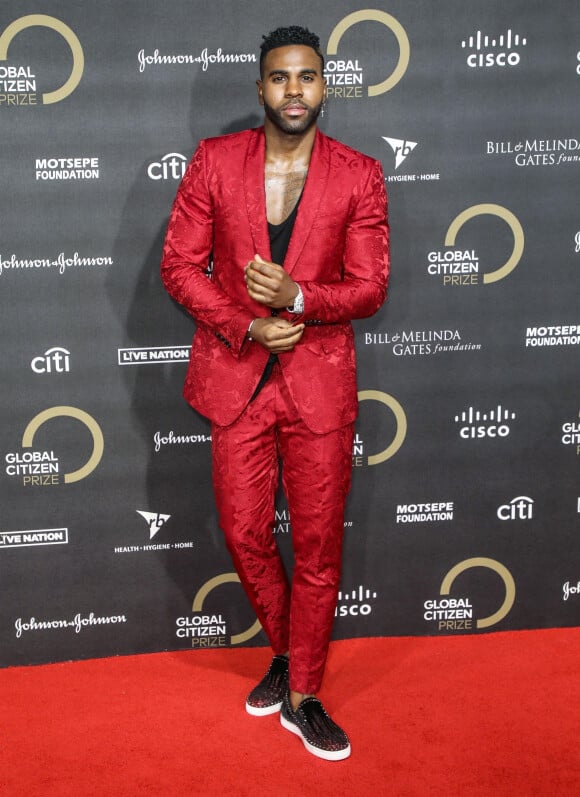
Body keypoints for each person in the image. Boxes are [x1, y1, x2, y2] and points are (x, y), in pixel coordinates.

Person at [161, 25, 389, 761]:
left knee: (319, 546)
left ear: (326, 86)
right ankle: (291, 649)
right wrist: (248, 324)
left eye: (308, 77)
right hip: (239, 382)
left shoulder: (359, 174)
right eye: (280, 77)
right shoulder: (215, 162)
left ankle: (305, 692)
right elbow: (179, 266)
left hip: (319, 384)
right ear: (260, 88)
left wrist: (299, 297)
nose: (295, 89)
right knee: (245, 531)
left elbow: (370, 287)